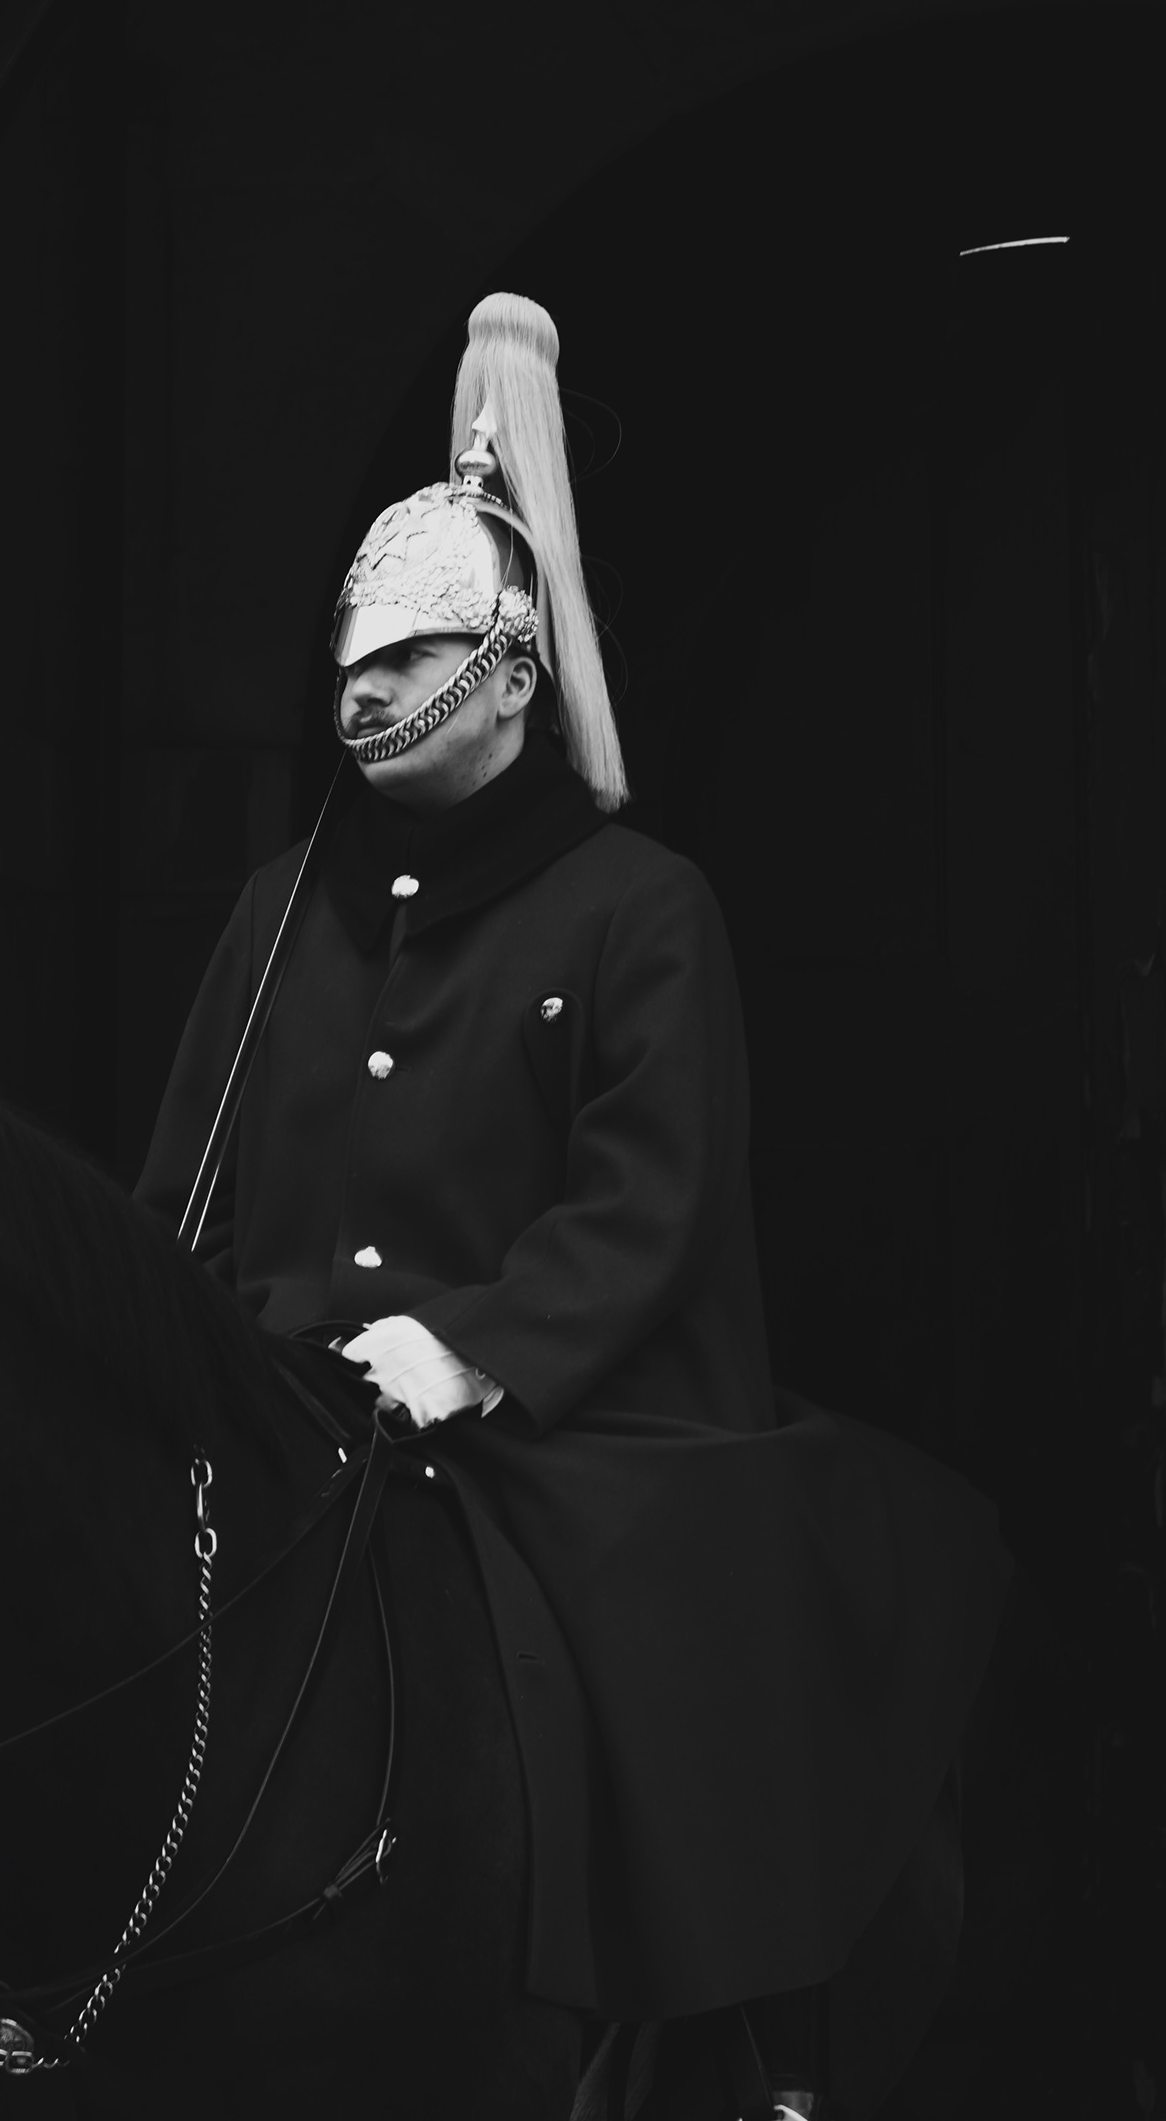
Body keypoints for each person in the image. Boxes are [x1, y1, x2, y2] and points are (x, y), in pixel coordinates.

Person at [137, 291, 1009, 2115]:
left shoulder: (637, 909)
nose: (361, 690)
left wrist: (473, 1353)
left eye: (412, 655)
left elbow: (649, 1200)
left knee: (666, 1642)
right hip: (289, 1407)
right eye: (349, 659)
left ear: (514, 674)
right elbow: (187, 1193)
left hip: (555, 1418)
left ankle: (728, 2028)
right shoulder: (276, 910)